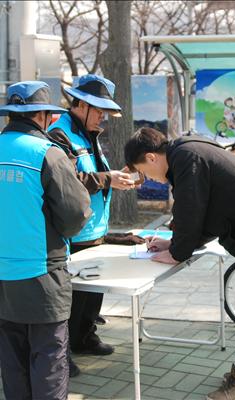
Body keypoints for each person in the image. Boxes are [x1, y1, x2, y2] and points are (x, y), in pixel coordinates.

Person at [124, 128, 235, 400]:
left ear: (151, 157)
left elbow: (190, 208)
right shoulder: (187, 151)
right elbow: (206, 212)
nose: (152, 180)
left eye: (145, 172)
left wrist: (178, 252)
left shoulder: (185, 158)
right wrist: (174, 244)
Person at [0, 81, 91, 400]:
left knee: (12, 363)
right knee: (48, 362)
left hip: (2, 276)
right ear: (40, 115)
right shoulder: (47, 153)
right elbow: (76, 214)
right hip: (42, 275)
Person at [48, 74, 137, 376]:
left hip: (93, 229)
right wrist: (107, 178)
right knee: (71, 298)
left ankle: (85, 337)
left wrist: (112, 177)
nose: (103, 118)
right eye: (100, 111)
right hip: (74, 231)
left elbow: (92, 173)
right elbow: (68, 182)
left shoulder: (89, 133)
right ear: (82, 105)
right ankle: (64, 352)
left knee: (91, 295)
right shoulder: (59, 134)